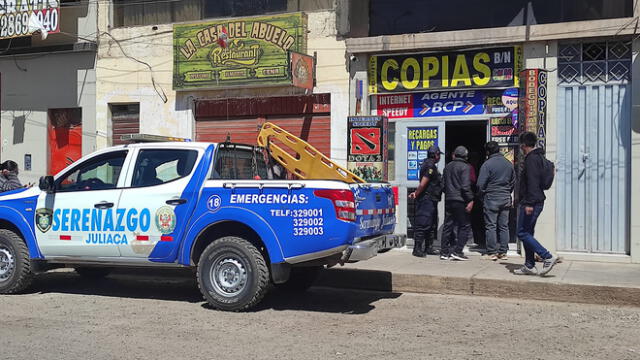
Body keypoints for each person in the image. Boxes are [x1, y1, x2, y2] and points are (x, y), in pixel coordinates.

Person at [515, 132, 558, 276]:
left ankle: (547, 256)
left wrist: (528, 203)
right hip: (536, 201)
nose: (521, 148)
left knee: (522, 232)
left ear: (524, 145)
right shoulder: (540, 157)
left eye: (521, 145)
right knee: (528, 233)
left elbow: (532, 183)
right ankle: (529, 265)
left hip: (531, 202)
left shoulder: (531, 159)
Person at [477, 141, 515, 261]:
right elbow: (513, 181)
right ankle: (503, 252)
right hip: (505, 198)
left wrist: (481, 195)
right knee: (504, 226)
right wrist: (507, 192)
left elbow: (479, 184)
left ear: (488, 152)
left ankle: (492, 252)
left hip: (491, 197)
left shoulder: (487, 164)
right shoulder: (508, 164)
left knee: (491, 226)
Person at [440, 146, 474, 261]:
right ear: (465, 156)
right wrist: (470, 199)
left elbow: (443, 185)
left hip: (449, 199)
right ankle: (458, 251)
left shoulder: (447, 167)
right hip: (460, 200)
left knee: (448, 225)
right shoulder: (465, 167)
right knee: (465, 226)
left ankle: (444, 252)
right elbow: (465, 186)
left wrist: (449, 193)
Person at [409, 145, 443, 257]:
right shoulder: (430, 166)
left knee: (431, 224)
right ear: (435, 155)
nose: (440, 157)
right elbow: (424, 183)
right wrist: (416, 193)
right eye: (439, 154)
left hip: (431, 199)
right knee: (423, 224)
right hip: (426, 199)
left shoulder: (430, 164)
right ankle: (417, 249)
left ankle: (429, 247)